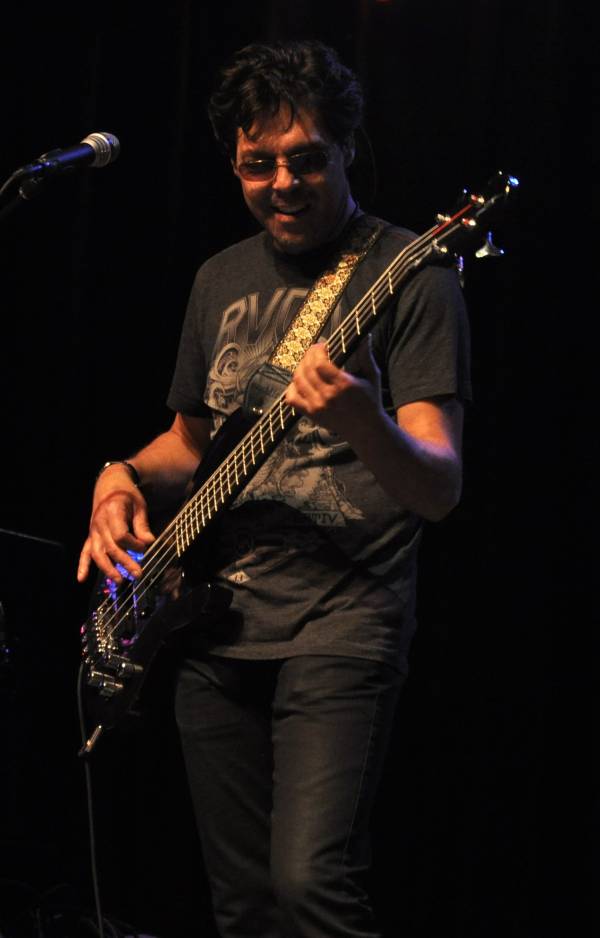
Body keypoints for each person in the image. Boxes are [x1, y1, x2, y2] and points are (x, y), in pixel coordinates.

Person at [78, 39, 471, 938]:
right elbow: (190, 440)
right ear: (235, 165)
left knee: (309, 890)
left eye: (307, 160)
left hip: (341, 625)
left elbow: (440, 487)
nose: (284, 183)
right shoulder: (219, 277)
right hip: (210, 631)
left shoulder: (412, 273)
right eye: (260, 165)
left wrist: (362, 419)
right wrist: (118, 478)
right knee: (245, 907)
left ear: (346, 152)